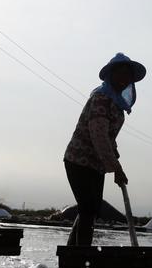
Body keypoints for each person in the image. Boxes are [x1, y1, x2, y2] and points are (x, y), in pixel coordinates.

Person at [63, 53, 146, 246]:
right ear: (112, 75)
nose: (125, 79)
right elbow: (98, 135)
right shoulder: (101, 98)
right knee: (88, 208)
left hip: (96, 164)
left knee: (91, 210)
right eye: (121, 74)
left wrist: (115, 161)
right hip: (78, 160)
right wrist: (115, 168)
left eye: (128, 76)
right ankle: (80, 256)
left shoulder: (116, 104)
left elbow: (109, 138)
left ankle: (73, 254)